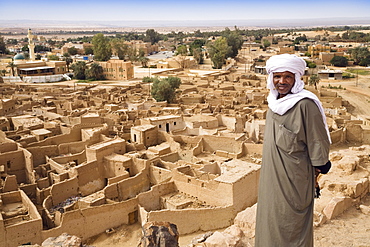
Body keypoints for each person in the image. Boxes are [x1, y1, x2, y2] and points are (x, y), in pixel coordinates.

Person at [255, 54, 331, 247]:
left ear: (296, 78)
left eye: (288, 76)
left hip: (294, 182)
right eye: (277, 76)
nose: (282, 81)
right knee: (268, 223)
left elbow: (317, 142)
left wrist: (317, 171)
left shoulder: (305, 104)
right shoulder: (274, 103)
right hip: (270, 178)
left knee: (291, 229)